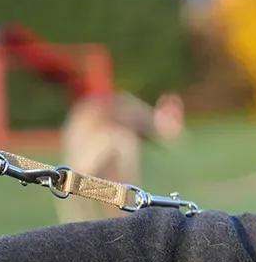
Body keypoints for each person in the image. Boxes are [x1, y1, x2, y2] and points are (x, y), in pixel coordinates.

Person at [57, 90, 184, 224]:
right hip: (91, 137)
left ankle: (120, 220)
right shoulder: (116, 127)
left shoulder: (124, 124)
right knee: (81, 185)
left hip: (99, 137)